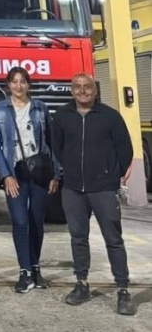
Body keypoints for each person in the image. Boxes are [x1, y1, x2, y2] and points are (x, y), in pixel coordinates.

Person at [52, 73, 135, 315]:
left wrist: (111, 176)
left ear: (94, 90)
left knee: (114, 240)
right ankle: (82, 284)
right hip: (73, 189)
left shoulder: (110, 116)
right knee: (78, 238)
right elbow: (57, 146)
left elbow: (125, 149)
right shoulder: (62, 116)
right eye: (77, 87)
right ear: (72, 90)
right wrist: (69, 170)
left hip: (104, 189)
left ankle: (123, 289)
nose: (82, 91)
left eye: (87, 87)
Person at [0, 67, 59, 294]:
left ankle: (35, 267)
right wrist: (6, 175)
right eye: (14, 82)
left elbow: (51, 143)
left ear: (28, 84)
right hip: (15, 173)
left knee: (36, 220)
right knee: (20, 221)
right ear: (8, 85)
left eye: (23, 82)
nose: (18, 86)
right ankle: (24, 271)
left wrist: (55, 174)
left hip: (39, 172)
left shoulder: (40, 108)